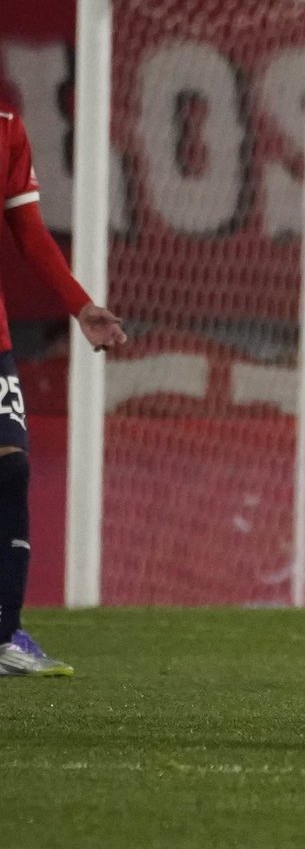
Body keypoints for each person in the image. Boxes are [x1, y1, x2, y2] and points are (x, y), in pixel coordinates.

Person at [0, 101, 128, 677]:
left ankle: (5, 636)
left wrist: (80, 305)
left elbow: (28, 229)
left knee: (11, 465)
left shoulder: (6, 125)